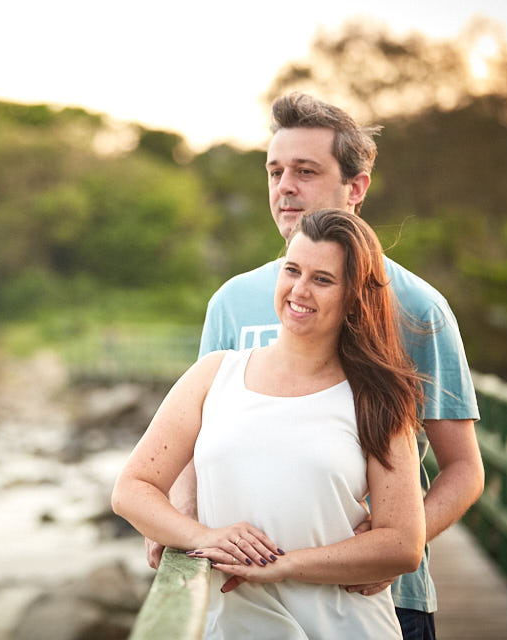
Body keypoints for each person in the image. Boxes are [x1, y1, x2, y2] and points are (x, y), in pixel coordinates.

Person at [144, 92, 484, 640]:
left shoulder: (419, 309)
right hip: (244, 598)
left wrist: (392, 542)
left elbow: (463, 469)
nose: (285, 187)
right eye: (275, 171)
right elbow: (190, 441)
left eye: (305, 171)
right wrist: (184, 527)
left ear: (357, 187)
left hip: (379, 598)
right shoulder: (231, 301)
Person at [113, 209, 427, 638]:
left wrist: (287, 566)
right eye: (292, 270)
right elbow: (132, 488)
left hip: (345, 627)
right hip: (234, 627)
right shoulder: (214, 374)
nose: (299, 290)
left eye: (322, 279)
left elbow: (403, 544)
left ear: (354, 296)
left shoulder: (377, 397)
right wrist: (204, 536)